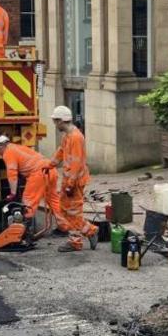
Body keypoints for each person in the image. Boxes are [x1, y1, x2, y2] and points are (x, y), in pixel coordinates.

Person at [0, 135, 62, 249]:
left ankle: (24, 235)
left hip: (38, 174)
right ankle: (64, 227)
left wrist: (13, 193)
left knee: (28, 203)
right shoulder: (17, 147)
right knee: (53, 200)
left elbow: (12, 173)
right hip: (50, 170)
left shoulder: (8, 152)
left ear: (1, 146)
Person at [50, 106, 98, 252]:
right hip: (70, 180)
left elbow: (76, 163)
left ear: (61, 120)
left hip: (75, 181)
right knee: (65, 211)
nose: (55, 124)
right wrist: (49, 164)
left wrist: (70, 184)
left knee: (73, 212)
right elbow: (61, 152)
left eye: (55, 121)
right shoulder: (68, 136)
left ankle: (79, 239)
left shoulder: (76, 137)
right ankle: (87, 231)